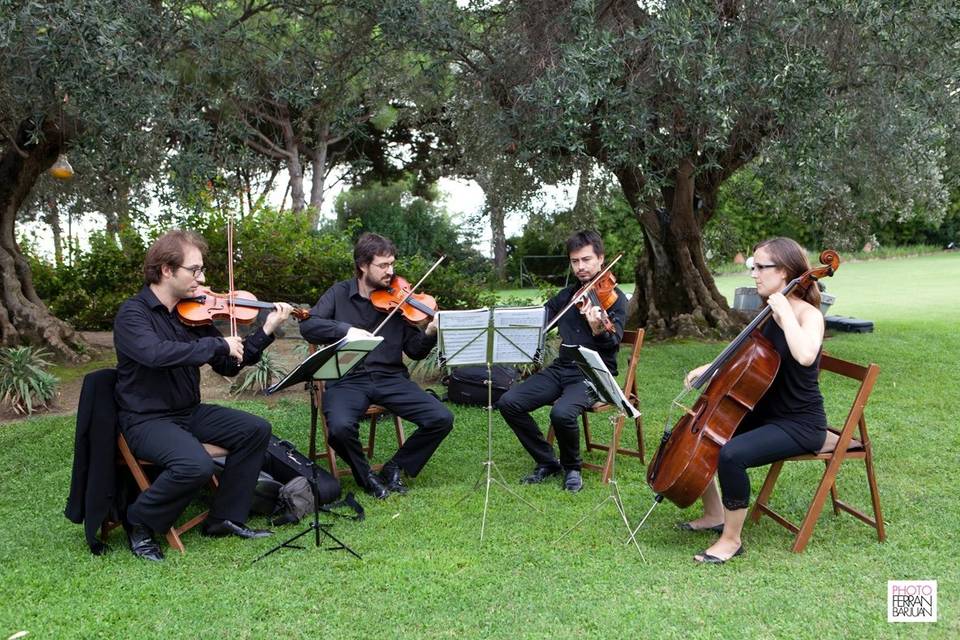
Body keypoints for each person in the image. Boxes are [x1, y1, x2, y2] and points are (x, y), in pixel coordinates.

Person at [113, 230, 294, 561]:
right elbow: (155, 354)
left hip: (188, 412)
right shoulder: (133, 314)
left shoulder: (191, 313)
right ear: (167, 270)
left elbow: (228, 364)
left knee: (255, 430)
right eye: (194, 270)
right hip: (146, 419)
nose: (203, 278)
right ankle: (139, 521)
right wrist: (214, 344)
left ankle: (225, 517)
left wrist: (265, 331)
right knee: (195, 465)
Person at [679, 237, 828, 564]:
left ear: (785, 272)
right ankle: (714, 514)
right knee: (703, 428)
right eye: (753, 267)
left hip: (800, 423)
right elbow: (746, 358)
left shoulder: (808, 316)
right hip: (767, 411)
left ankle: (731, 540)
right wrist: (710, 368)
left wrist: (785, 313)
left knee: (731, 455)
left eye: (761, 267)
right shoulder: (765, 313)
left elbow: (804, 355)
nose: (754, 274)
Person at [298, 232, 453, 499]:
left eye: (392, 264)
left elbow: (414, 351)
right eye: (383, 265)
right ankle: (366, 476)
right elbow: (309, 325)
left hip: (390, 378)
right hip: (347, 378)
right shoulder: (338, 294)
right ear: (362, 265)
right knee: (339, 428)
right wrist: (346, 329)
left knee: (441, 418)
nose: (390, 272)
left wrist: (429, 334)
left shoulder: (399, 301)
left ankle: (395, 467)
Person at [496, 230, 627, 492]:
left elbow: (613, 343)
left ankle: (572, 468)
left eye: (587, 259)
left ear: (601, 259)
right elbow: (543, 315)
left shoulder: (615, 299)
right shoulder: (568, 295)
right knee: (509, 402)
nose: (581, 267)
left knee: (562, 412)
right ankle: (547, 461)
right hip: (563, 367)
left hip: (593, 372)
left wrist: (598, 330)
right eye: (575, 261)